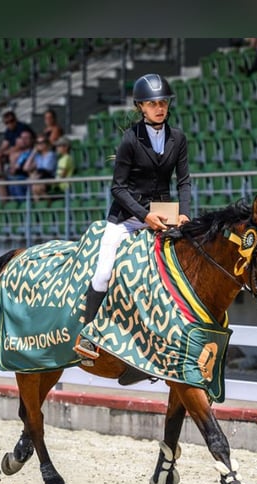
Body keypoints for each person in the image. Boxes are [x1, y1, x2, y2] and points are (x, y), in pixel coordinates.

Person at [74, 73, 191, 363]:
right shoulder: (130, 139)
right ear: (141, 106)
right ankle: (88, 335)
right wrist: (144, 215)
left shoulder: (178, 137)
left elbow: (184, 181)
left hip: (165, 214)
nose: (159, 108)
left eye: (163, 102)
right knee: (103, 273)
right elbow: (117, 188)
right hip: (127, 217)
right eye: (153, 104)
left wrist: (185, 213)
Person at [0, 130, 34, 200]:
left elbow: (20, 170)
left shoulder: (32, 153)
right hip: (11, 177)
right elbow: (0, 160)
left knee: (1, 182)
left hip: (22, 177)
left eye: (26, 138)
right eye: (22, 138)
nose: (23, 141)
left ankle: (4, 206)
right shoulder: (14, 152)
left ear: (31, 140)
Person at [0, 110, 35, 176]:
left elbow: (20, 146)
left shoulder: (22, 128)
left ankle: (13, 176)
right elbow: (4, 145)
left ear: (15, 119)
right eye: (7, 122)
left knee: (13, 156)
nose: (10, 124)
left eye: (11, 121)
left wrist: (4, 153)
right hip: (16, 151)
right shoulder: (8, 131)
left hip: (27, 150)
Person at [23, 135, 58, 200]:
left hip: (49, 177)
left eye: (42, 142)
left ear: (47, 143)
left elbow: (47, 169)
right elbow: (26, 168)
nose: (40, 144)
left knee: (35, 185)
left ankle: (47, 206)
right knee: (34, 187)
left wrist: (34, 176)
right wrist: (33, 153)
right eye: (38, 143)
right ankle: (39, 207)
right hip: (38, 178)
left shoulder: (51, 154)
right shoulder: (38, 156)